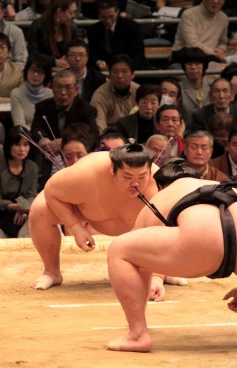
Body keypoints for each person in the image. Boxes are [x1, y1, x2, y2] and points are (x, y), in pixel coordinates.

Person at [106, 173, 237, 352]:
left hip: (202, 239)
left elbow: (139, 261)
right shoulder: (218, 184)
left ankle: (137, 335)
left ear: (161, 187)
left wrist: (155, 281)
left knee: (120, 250)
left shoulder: (160, 198)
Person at [29, 143, 159, 290]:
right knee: (40, 209)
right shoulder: (86, 174)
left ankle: (162, 272)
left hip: (141, 226)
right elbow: (51, 191)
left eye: (142, 177)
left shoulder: (159, 182)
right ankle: (51, 272)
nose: (135, 183)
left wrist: (158, 275)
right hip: (85, 211)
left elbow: (167, 224)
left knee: (168, 215)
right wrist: (75, 227)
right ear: (112, 171)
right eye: (127, 177)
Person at [30, 69, 98, 188]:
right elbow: (36, 128)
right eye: (59, 87)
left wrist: (64, 142)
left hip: (75, 158)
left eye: (68, 87)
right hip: (48, 155)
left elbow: (92, 134)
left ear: (76, 90)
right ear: (52, 88)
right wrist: (44, 140)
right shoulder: (42, 106)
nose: (63, 92)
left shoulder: (86, 110)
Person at [0, 126, 38, 238]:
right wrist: (15, 207)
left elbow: (31, 195)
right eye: (17, 144)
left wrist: (23, 208)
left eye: (26, 144)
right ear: (9, 145)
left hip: (22, 213)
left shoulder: (32, 167)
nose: (22, 149)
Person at [87, 0, 149, 71]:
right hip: (104, 71)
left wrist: (124, 67)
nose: (108, 21)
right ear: (98, 15)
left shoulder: (132, 27)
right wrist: (98, 62)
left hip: (129, 68)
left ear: (117, 12)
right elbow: (92, 55)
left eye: (111, 16)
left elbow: (138, 54)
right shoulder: (93, 30)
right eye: (103, 17)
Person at [90, 54, 140, 133]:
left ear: (133, 74)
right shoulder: (100, 94)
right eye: (115, 72)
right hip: (110, 138)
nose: (120, 76)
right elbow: (99, 123)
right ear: (109, 74)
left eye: (124, 72)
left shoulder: (139, 91)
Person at [27, 0, 78, 71]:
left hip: (67, 70)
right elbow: (33, 55)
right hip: (43, 70)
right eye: (71, 13)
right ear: (59, 11)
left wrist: (68, 58)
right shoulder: (38, 26)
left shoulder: (72, 27)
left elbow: (77, 48)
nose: (73, 16)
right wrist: (53, 62)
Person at [10, 53, 53, 130]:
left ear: (46, 75)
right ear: (26, 71)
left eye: (40, 72)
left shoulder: (51, 95)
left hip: (47, 138)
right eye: (33, 70)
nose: (35, 75)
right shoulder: (16, 93)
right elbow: (19, 125)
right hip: (26, 137)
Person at [177, 47, 212, 130]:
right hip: (187, 132)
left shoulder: (212, 85)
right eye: (189, 64)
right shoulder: (178, 87)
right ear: (184, 67)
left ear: (204, 66)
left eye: (197, 63)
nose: (193, 67)